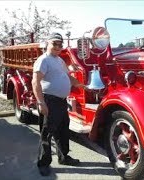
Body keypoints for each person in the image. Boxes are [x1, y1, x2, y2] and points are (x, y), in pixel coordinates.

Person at [32, 32, 86, 176]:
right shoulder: (43, 60)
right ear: (47, 44)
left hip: (61, 102)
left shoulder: (59, 60)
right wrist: (41, 102)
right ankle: (43, 163)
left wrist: (82, 85)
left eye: (60, 44)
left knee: (62, 130)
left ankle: (64, 157)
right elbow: (35, 82)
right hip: (49, 100)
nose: (57, 46)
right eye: (54, 43)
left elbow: (67, 77)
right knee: (47, 133)